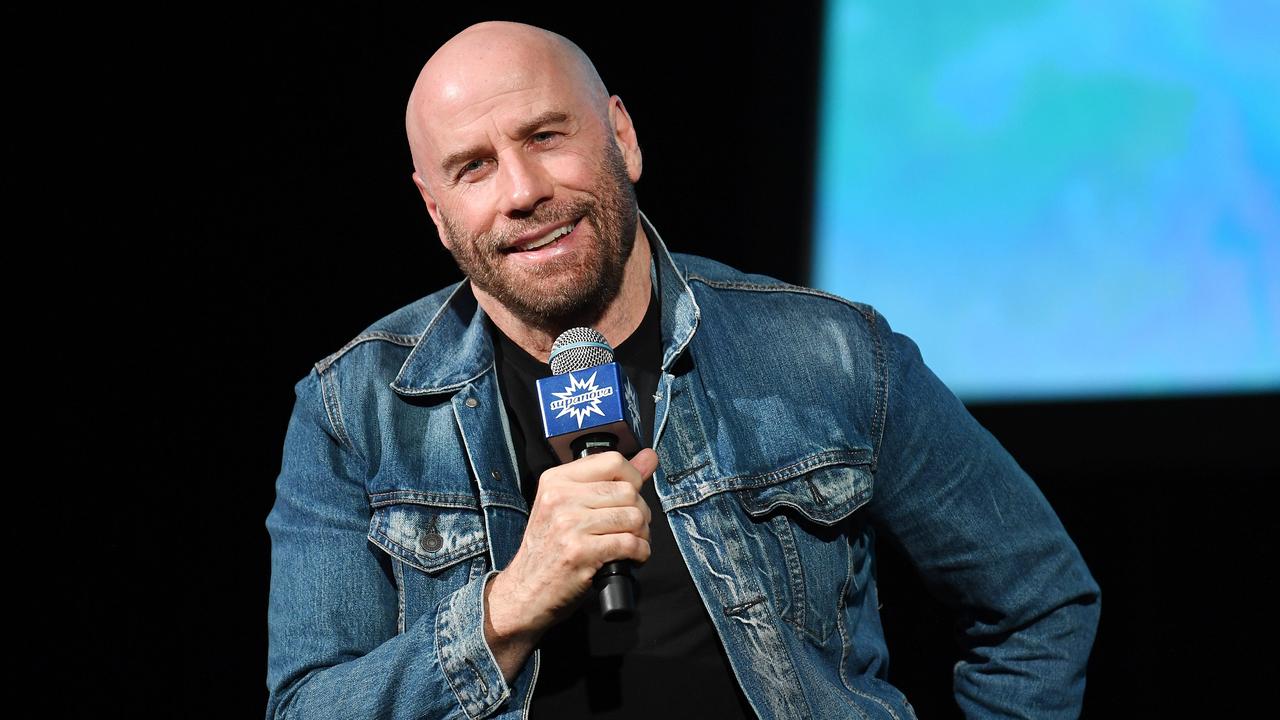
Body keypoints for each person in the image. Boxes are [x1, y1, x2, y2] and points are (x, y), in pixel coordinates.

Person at [266, 21, 1100, 720]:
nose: (520, 191)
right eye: (473, 167)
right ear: (437, 212)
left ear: (621, 138)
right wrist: (509, 604)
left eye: (545, 136)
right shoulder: (356, 408)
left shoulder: (829, 352)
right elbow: (307, 706)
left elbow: (1040, 599)